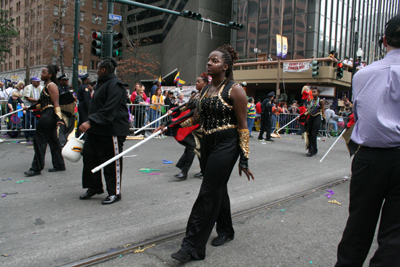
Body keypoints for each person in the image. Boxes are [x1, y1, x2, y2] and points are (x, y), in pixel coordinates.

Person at [170, 44, 254, 263]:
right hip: (207, 141)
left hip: (226, 144)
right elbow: (197, 119)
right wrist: (175, 124)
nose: (209, 63)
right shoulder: (206, 90)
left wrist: (244, 158)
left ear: (225, 66)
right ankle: (226, 229)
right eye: (209, 60)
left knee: (207, 192)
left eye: (215, 61)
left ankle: (191, 248)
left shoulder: (235, 90)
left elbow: (243, 125)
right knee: (217, 187)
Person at [335, 14, 400, 267]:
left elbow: (361, 113)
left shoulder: (362, 75)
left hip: (370, 157)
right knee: (395, 234)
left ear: (384, 41)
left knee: (358, 224)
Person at [78, 59, 130, 205]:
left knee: (111, 162)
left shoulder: (116, 85)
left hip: (112, 129)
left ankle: (115, 192)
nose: (96, 71)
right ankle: (94, 187)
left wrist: (90, 121)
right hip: (97, 129)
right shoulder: (101, 83)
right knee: (89, 158)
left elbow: (109, 109)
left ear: (104, 70)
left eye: (98, 68)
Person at [23, 65, 66, 176]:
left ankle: (36, 168)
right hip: (47, 114)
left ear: (50, 75)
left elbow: (55, 104)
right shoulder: (47, 86)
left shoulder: (51, 85)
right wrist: (29, 108)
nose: (41, 74)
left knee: (39, 141)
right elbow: (41, 103)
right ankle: (59, 164)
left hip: (48, 116)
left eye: (43, 72)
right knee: (53, 141)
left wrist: (58, 118)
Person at [304, 87, 325, 156]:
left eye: (314, 92)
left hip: (317, 117)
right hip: (311, 117)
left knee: (314, 134)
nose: (313, 93)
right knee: (309, 134)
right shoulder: (311, 101)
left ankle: (312, 151)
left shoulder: (321, 101)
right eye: (312, 92)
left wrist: (324, 120)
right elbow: (308, 110)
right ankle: (313, 149)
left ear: (318, 93)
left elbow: (323, 111)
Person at [57, 74, 76, 147]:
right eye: (65, 80)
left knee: (70, 127)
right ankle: (62, 141)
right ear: (60, 81)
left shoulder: (69, 87)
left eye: (67, 80)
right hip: (62, 110)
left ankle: (68, 140)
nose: (67, 81)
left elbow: (73, 95)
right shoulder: (58, 88)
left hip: (71, 111)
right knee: (62, 127)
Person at [22, 77, 43, 141]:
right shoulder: (28, 87)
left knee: (36, 122)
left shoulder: (41, 88)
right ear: (32, 82)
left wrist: (38, 101)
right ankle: (27, 135)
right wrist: (35, 100)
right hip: (29, 107)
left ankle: (34, 135)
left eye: (39, 81)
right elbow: (27, 97)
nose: (38, 83)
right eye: (37, 81)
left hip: (37, 108)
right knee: (27, 122)